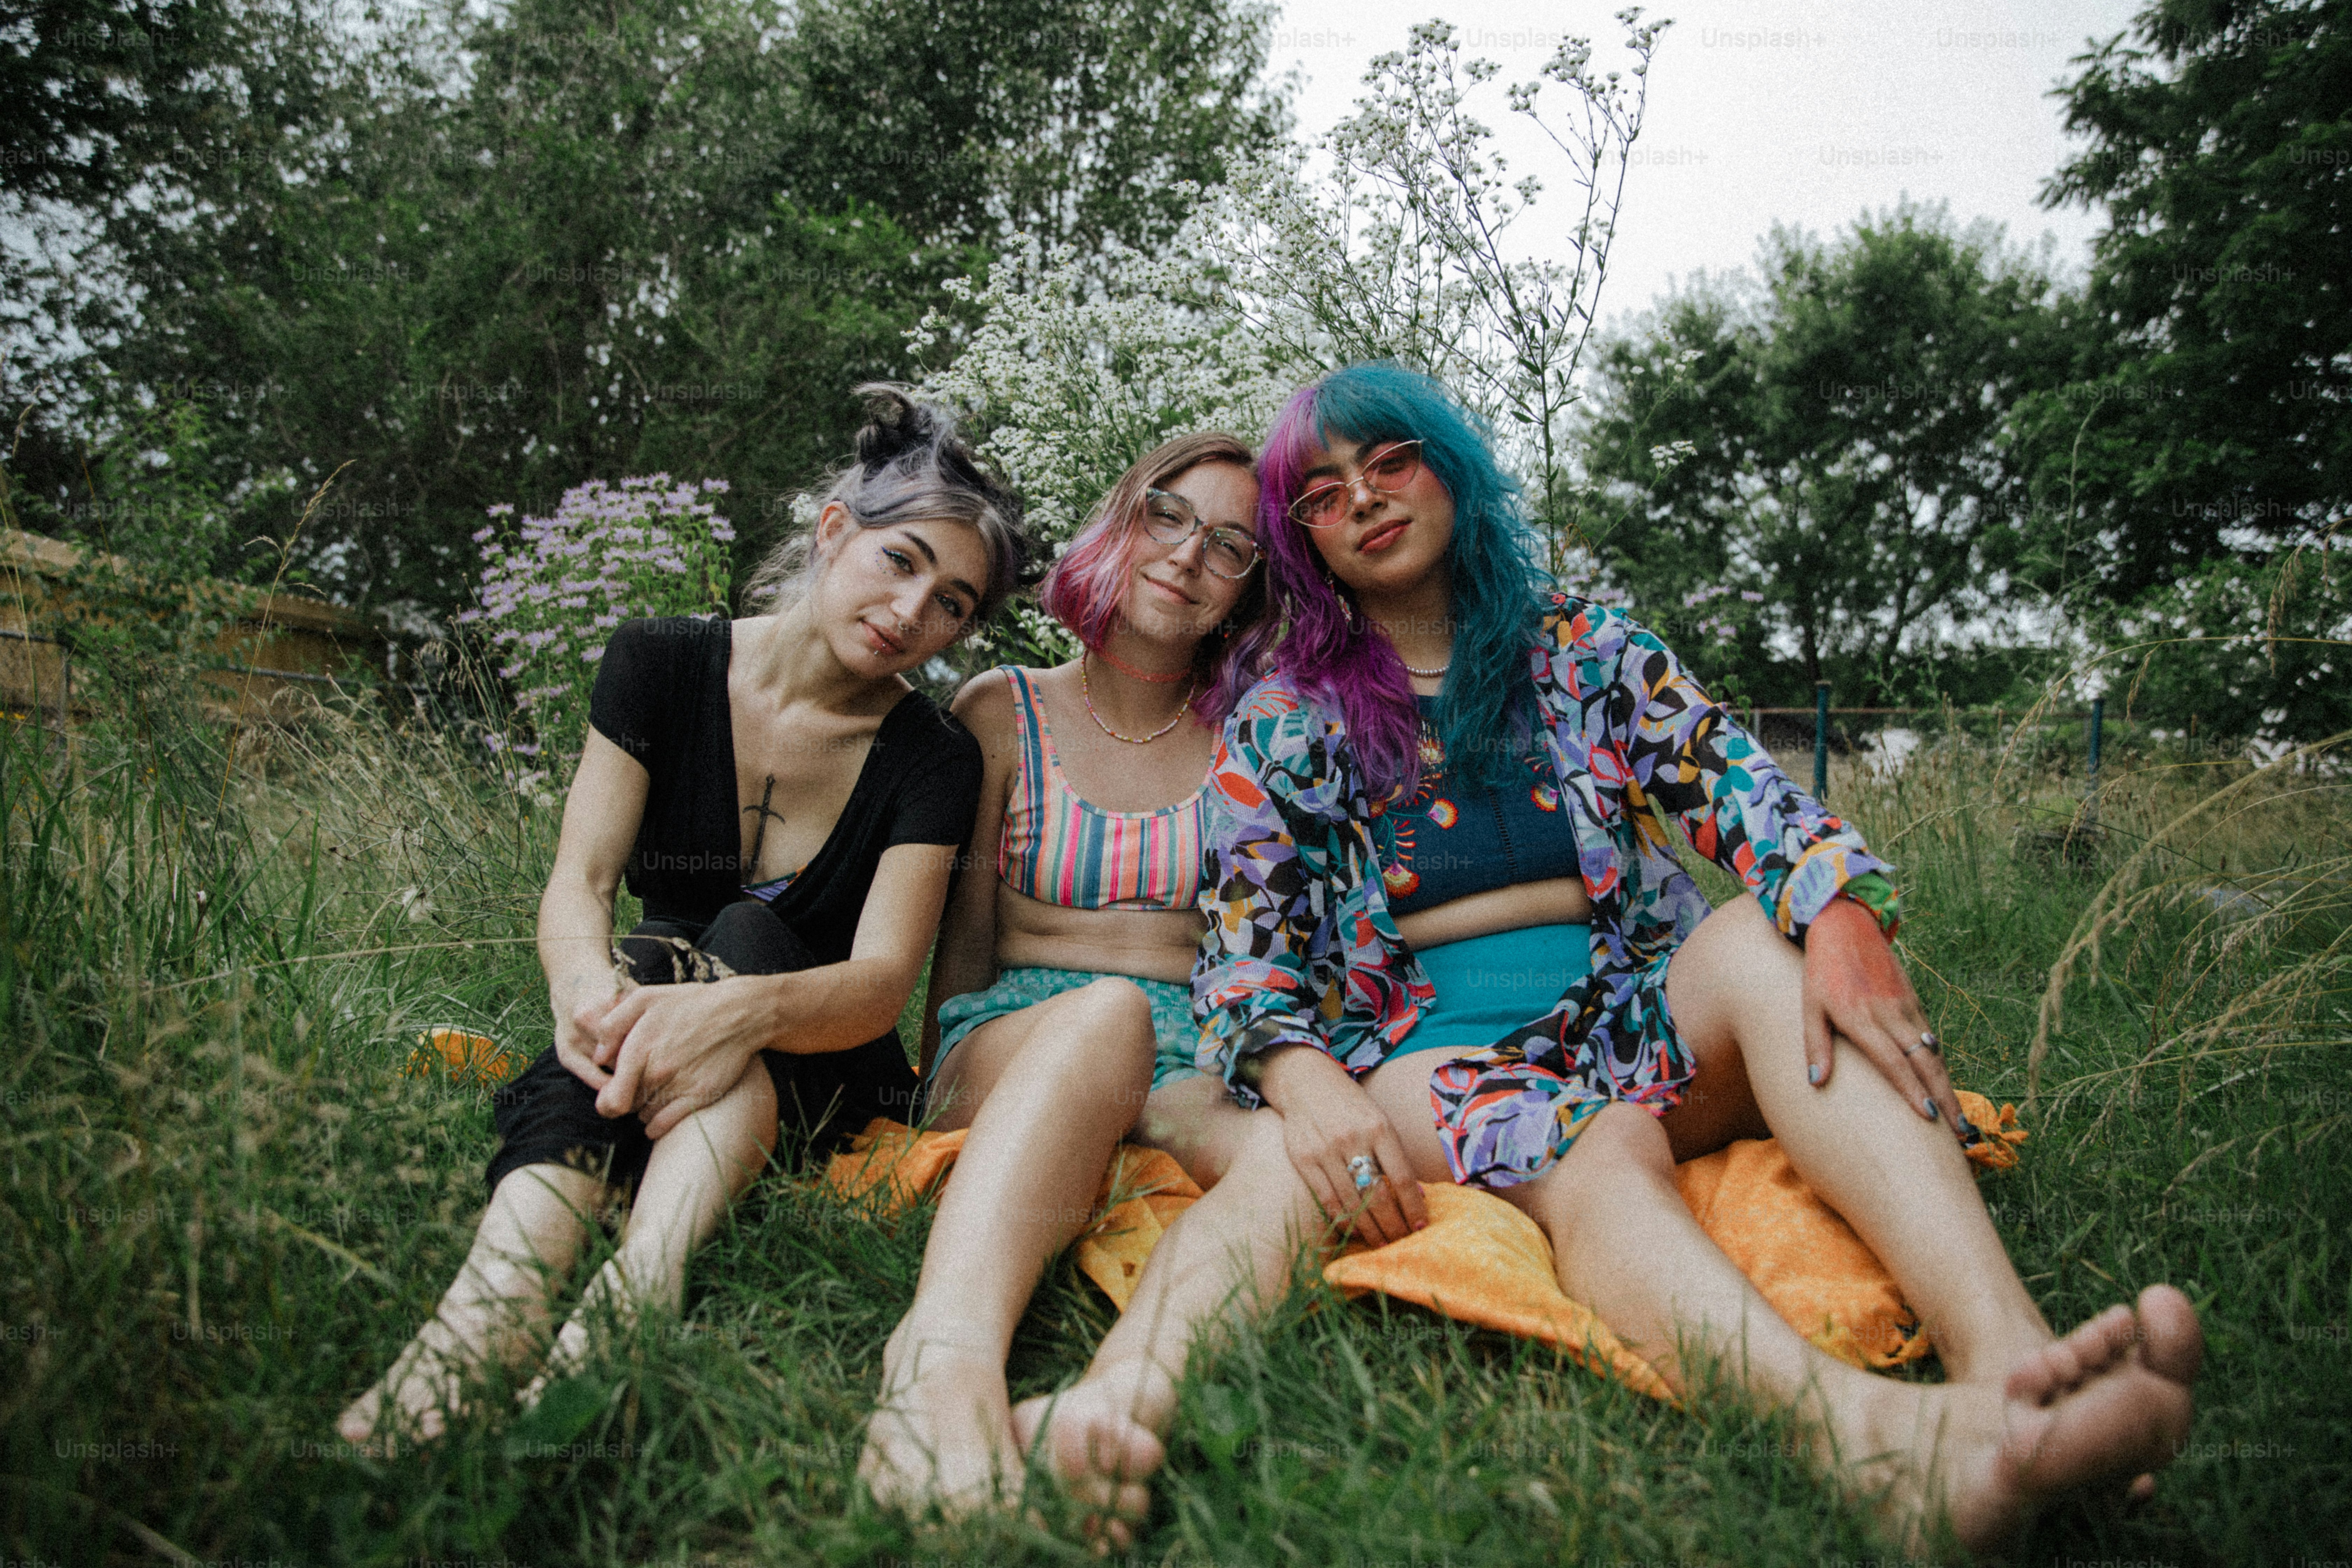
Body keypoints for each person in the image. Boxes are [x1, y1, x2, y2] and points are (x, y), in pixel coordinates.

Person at [1021, 363, 2203, 1552]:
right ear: (1305, 538)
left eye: (1391, 461)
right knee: (1590, 1142)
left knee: (1759, 936)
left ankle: (2016, 1369)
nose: (1368, 500)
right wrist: (1298, 1074)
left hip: (1629, 1016)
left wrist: (1841, 913)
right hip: (1432, 1062)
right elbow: (1245, 952)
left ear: (1450, 466)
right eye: (1325, 493)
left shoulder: (1585, 649)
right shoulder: (1288, 713)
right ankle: (1872, 1451)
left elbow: (1741, 793)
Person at [339, 388, 1027, 1448]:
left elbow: (884, 979)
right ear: (835, 530)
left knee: (741, 940)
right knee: (650, 954)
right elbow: (581, 881)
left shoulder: (933, 754)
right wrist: (584, 992)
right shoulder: (658, 662)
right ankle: (487, 1320)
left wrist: (738, 1014)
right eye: (903, 561)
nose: (914, 612)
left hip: (824, 1053)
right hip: (647, 1019)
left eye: (954, 605)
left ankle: (635, 1293)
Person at [856, 433, 1271, 1521]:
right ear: (1124, 521)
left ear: (1247, 591)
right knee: (1103, 1018)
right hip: (1021, 1032)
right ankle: (936, 1362)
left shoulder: (1255, 738)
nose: (1187, 556)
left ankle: (1104, 1406)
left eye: (1230, 545)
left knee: (1296, 1164)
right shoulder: (1003, 711)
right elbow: (965, 940)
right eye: (1168, 517)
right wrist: (942, 1069)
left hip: (1188, 1049)